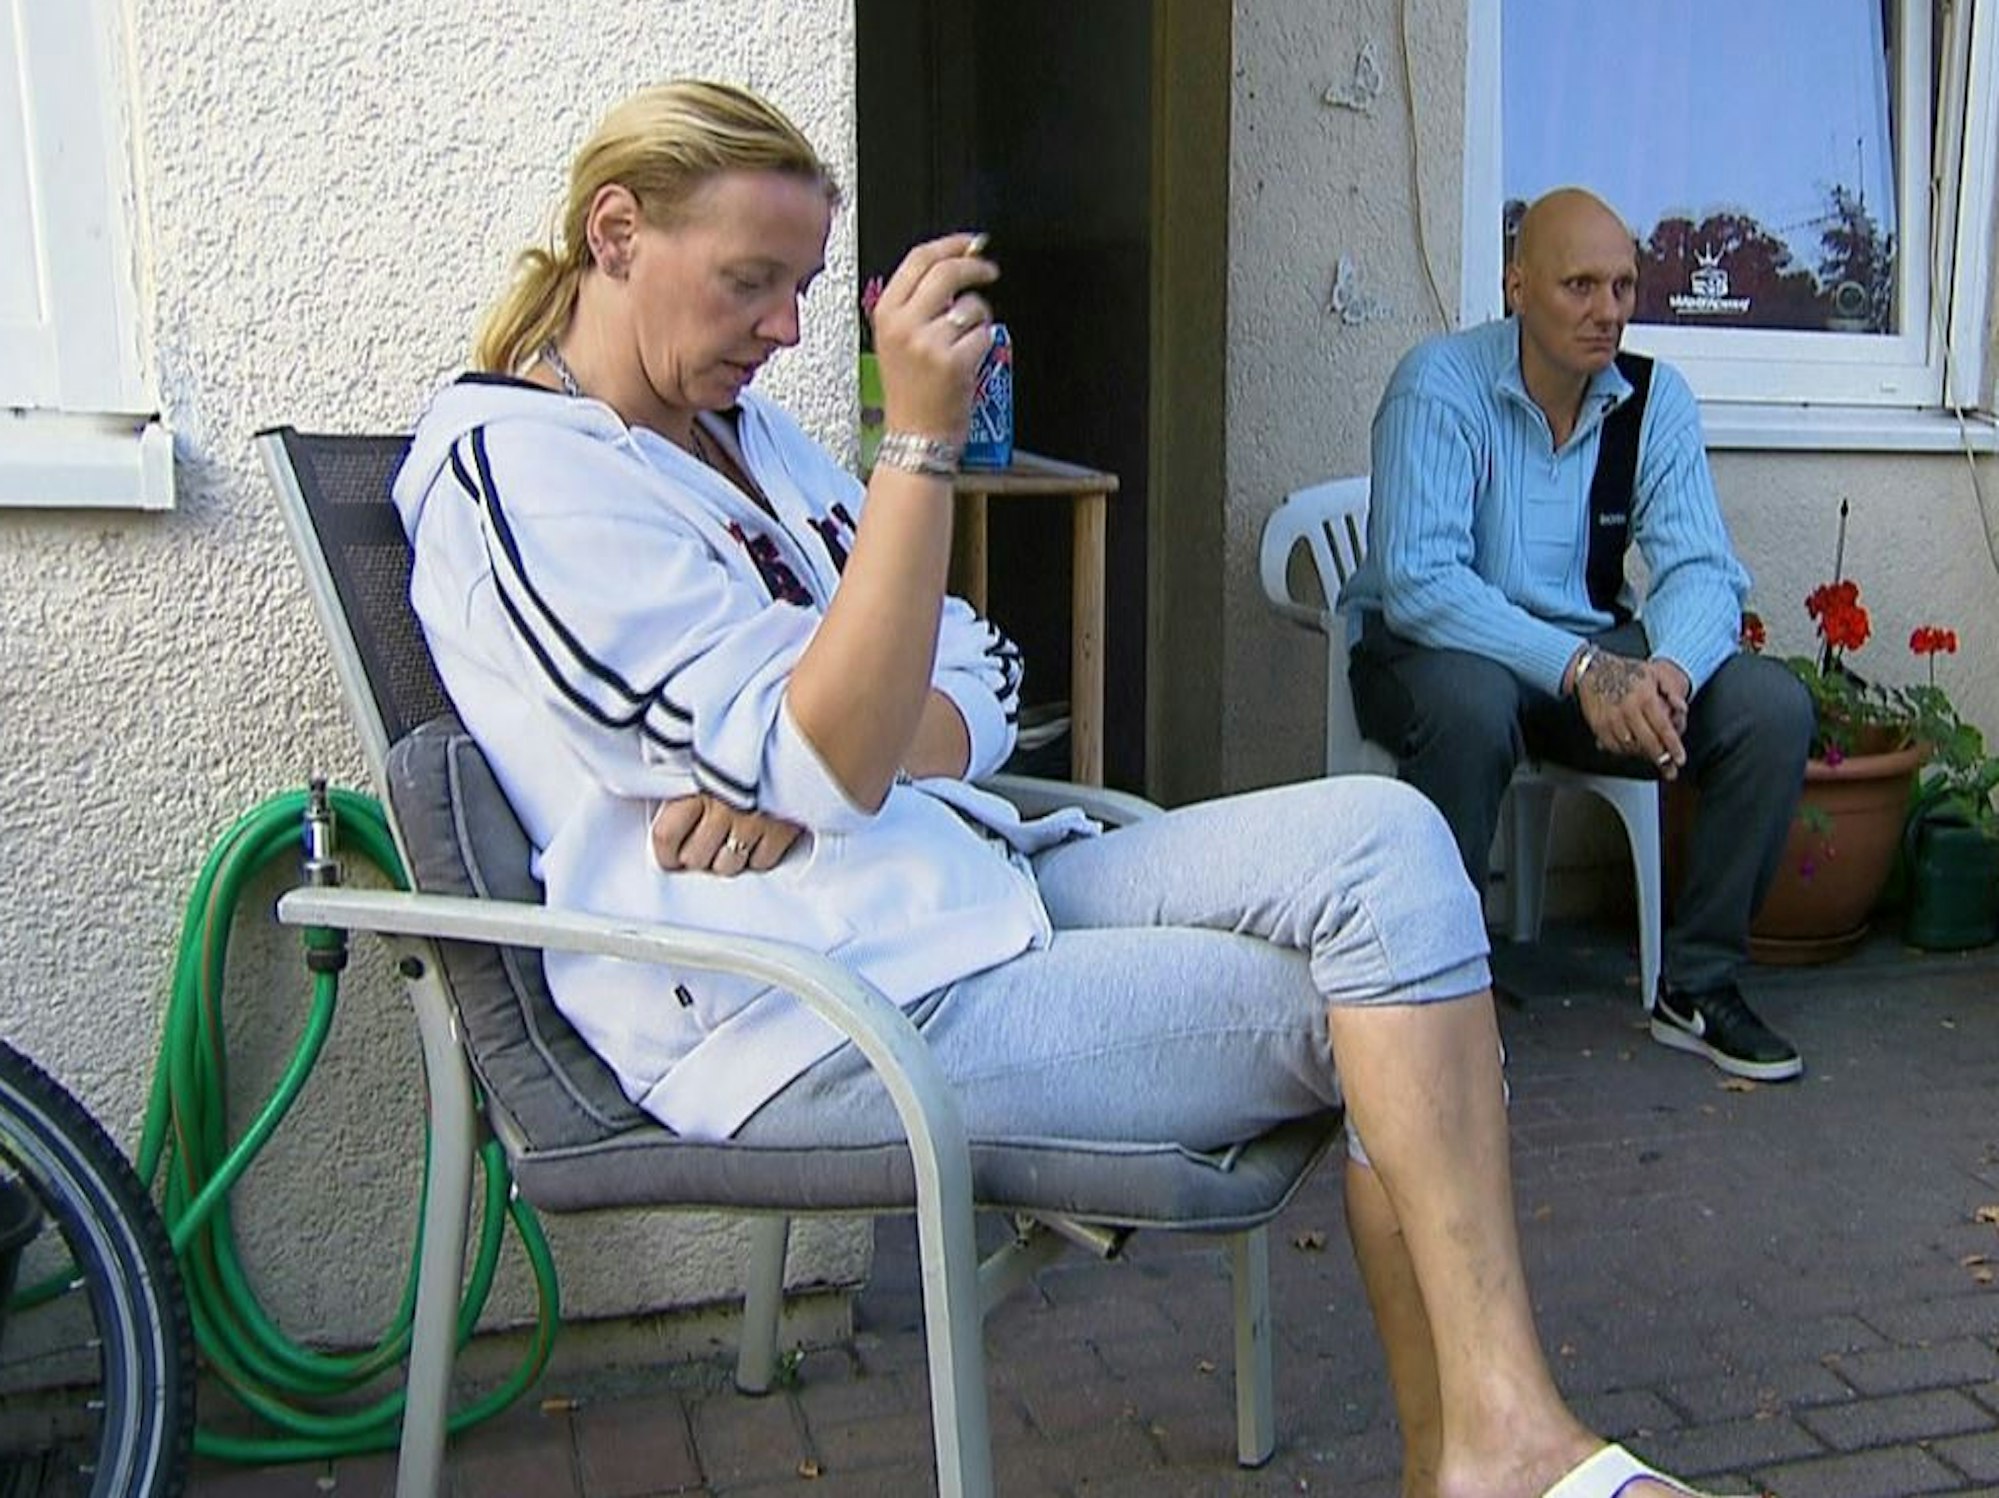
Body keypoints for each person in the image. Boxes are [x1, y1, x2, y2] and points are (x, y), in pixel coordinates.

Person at [393, 83, 1717, 1498]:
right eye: (751, 283)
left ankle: (1493, 1448)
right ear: (614, 235)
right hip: (817, 1009)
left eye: (797, 290)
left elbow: (971, 661)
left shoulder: (751, 446)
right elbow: (823, 740)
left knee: (1390, 844)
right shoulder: (515, 474)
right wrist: (910, 458)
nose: (786, 331)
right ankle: (1495, 1454)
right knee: (1387, 1010)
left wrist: (838, 746)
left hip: (965, 883)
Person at [1340, 187, 1814, 1085]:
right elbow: (1418, 582)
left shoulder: (1650, 400)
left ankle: (1698, 984)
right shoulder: (1440, 384)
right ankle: (1435, 997)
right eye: (1579, 286)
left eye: (1625, 287)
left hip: (1587, 662)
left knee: (1766, 704)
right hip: (1433, 654)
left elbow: (1701, 570)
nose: (1608, 313)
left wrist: (1667, 668)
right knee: (1474, 707)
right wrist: (1585, 669)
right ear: (1516, 286)